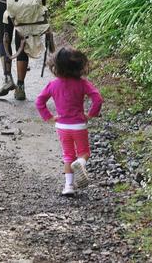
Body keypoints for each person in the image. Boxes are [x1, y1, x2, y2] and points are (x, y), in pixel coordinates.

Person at [35, 47, 103, 196]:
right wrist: (91, 114)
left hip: (62, 126)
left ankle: (68, 186)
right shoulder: (83, 84)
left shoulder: (53, 85)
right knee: (84, 153)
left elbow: (39, 101)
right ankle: (81, 163)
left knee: (68, 155)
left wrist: (49, 117)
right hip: (79, 125)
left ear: (56, 66)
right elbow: (97, 99)